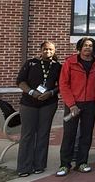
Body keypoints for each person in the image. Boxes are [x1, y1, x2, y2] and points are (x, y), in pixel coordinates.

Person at [15, 41, 61, 177]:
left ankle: (39, 165)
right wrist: (31, 92)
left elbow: (61, 84)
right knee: (27, 134)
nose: (48, 52)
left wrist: (51, 93)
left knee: (43, 134)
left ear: (54, 51)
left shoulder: (58, 66)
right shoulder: (31, 63)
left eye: (51, 50)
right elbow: (20, 81)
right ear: (41, 50)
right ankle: (24, 167)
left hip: (48, 103)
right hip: (29, 103)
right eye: (45, 49)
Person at [57, 37, 95, 176]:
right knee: (69, 134)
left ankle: (82, 162)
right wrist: (71, 104)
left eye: (90, 46)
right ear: (80, 47)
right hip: (73, 104)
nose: (88, 48)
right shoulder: (70, 62)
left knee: (86, 134)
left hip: (90, 104)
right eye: (85, 45)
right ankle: (64, 164)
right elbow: (64, 84)